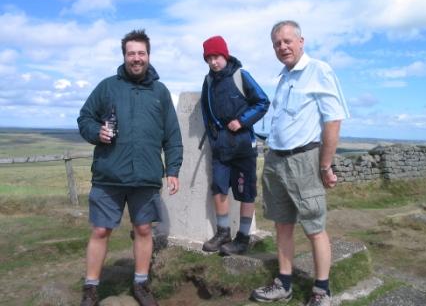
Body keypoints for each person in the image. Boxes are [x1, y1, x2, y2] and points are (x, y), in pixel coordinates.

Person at [77, 29, 183, 306]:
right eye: (131, 53)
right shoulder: (107, 87)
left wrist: (173, 169)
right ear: (124, 56)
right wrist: (95, 132)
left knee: (144, 229)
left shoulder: (160, 92)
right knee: (100, 230)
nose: (136, 58)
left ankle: (140, 284)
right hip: (109, 174)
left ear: (148, 55)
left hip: (146, 176)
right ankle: (90, 288)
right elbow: (85, 117)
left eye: (141, 53)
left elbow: (172, 134)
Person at [250, 21, 349, 306]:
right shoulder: (284, 78)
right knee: (282, 225)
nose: (282, 47)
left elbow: (333, 119)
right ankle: (283, 283)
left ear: (301, 41)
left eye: (287, 41)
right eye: (277, 43)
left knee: (314, 227)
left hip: (304, 160)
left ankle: (322, 290)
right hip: (275, 160)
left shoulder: (318, 70)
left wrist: (325, 165)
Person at [200, 35, 270, 255]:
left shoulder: (241, 75)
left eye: (217, 56)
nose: (213, 62)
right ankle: (223, 233)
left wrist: (241, 121)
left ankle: (243, 237)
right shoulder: (208, 81)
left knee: (246, 192)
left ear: (225, 55)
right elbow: (206, 112)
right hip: (221, 148)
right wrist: (214, 139)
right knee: (219, 189)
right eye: (209, 58)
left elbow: (262, 101)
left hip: (242, 147)